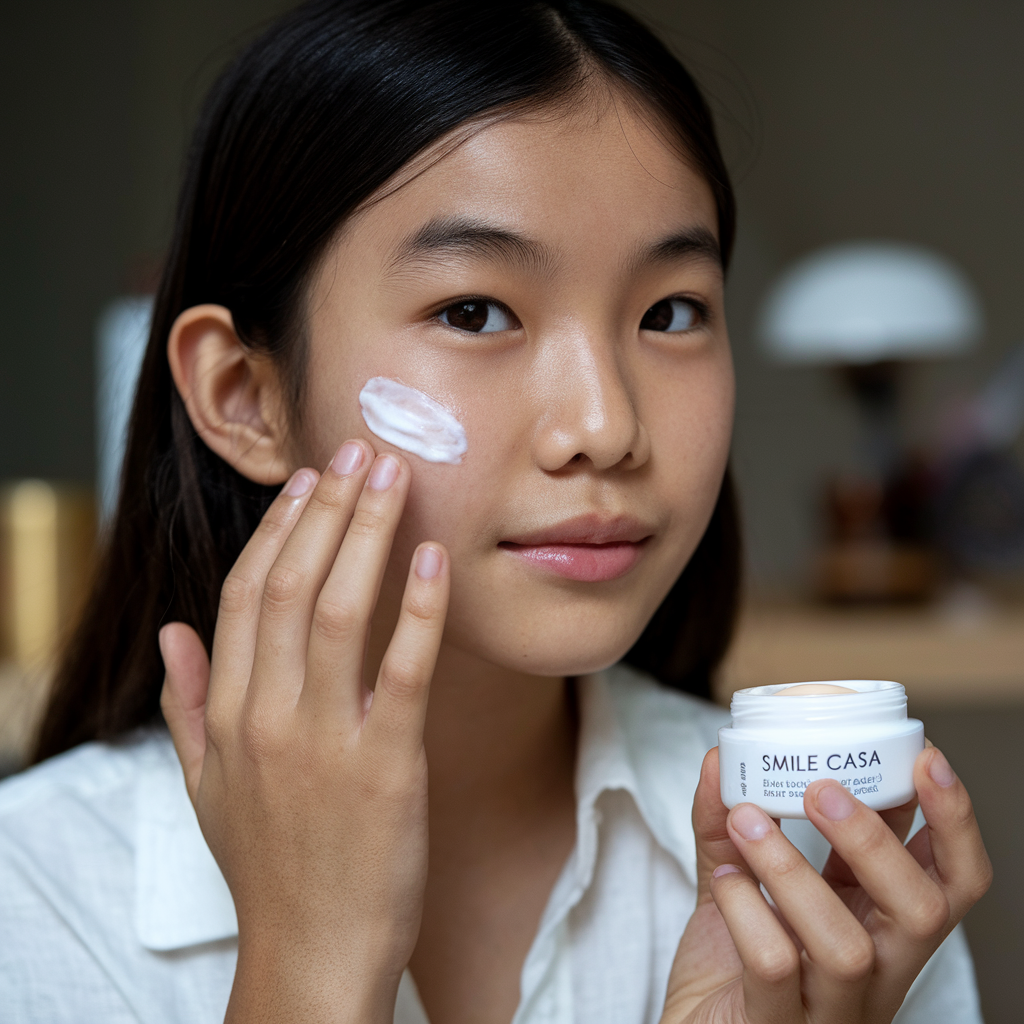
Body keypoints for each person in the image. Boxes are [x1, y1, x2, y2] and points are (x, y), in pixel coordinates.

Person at [0, 1, 992, 1022]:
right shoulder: (29, 902)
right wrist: (308, 963)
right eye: (474, 312)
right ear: (244, 397)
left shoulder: (832, 875)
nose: (604, 426)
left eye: (671, 312)